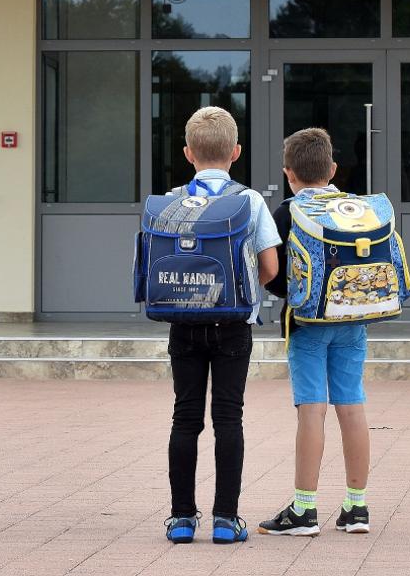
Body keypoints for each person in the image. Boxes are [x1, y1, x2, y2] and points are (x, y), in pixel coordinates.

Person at [163, 106, 281, 546]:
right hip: (233, 324)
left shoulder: (172, 200)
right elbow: (270, 266)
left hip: (183, 321)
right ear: (236, 152)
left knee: (185, 418)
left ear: (188, 153)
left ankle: (180, 519)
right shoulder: (249, 201)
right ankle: (226, 519)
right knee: (228, 418)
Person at [259, 127, 372, 536]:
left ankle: (304, 510)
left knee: (312, 409)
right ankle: (356, 507)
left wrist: (287, 293)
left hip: (307, 324)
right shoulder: (357, 208)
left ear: (289, 173)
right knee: (352, 406)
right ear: (333, 168)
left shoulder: (287, 211)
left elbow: (270, 270)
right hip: (352, 319)